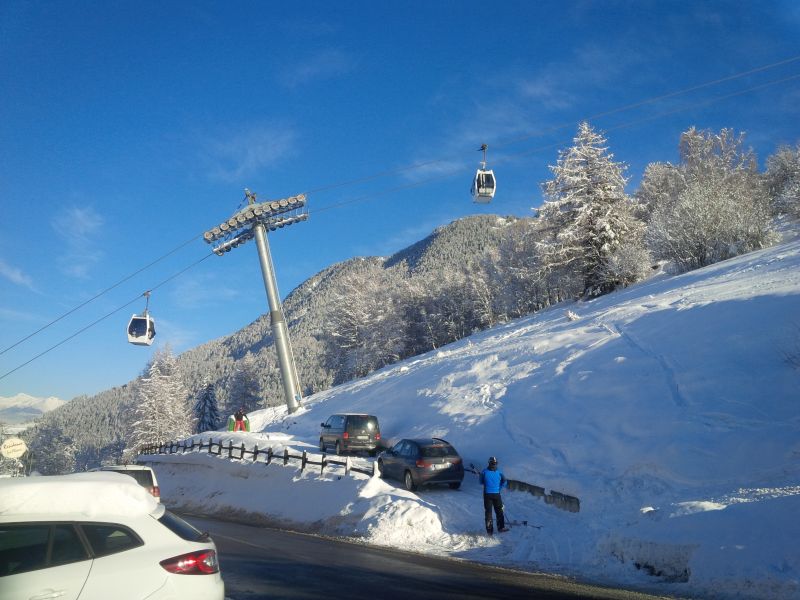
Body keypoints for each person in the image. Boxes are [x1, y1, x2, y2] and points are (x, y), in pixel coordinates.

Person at [479, 456, 508, 535]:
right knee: (499, 510)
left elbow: (480, 482)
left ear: (489, 463)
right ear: (496, 464)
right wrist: (499, 488)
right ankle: (501, 527)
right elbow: (505, 482)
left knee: (488, 512)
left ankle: (489, 531)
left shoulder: (484, 472)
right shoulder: (499, 472)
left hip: (487, 494)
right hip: (496, 494)